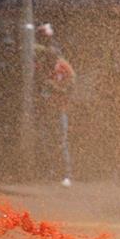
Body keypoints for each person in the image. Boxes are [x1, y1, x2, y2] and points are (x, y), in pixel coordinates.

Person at [35, 27, 76, 187]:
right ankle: (50, 171)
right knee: (46, 140)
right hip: (46, 109)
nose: (50, 57)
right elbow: (39, 83)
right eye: (48, 55)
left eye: (53, 54)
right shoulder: (42, 66)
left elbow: (72, 82)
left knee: (61, 141)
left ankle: (66, 173)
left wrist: (59, 90)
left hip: (60, 109)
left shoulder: (63, 66)